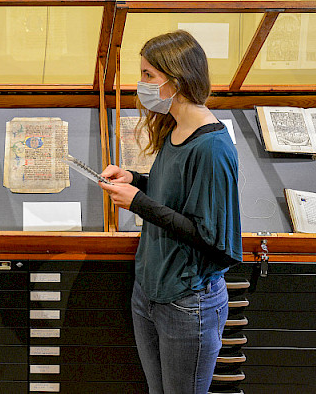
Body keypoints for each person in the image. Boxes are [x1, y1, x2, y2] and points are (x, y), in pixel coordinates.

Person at [99, 30, 241, 394]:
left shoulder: (212, 148)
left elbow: (213, 239)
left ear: (175, 81)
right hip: (150, 290)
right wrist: (135, 179)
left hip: (187, 302)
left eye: (148, 75)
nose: (141, 83)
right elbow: (175, 194)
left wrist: (138, 202)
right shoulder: (177, 129)